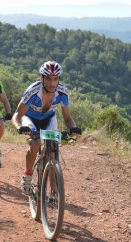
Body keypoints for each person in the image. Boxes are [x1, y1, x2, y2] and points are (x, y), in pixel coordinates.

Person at [12, 61, 82, 194]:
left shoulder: (62, 92)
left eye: (55, 79)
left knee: (53, 149)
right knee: (35, 143)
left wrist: (73, 128)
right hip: (30, 118)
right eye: (49, 79)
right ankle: (27, 175)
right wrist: (20, 127)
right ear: (42, 79)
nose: (52, 83)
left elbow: (68, 118)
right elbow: (16, 115)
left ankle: (54, 191)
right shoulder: (33, 91)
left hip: (48, 118)